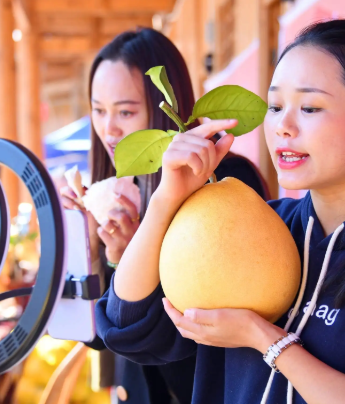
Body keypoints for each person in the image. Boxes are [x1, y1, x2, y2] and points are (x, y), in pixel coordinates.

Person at [94, 19, 345, 404]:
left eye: (309, 107)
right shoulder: (262, 226)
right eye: (275, 106)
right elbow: (130, 327)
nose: (282, 127)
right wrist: (165, 200)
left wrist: (263, 338)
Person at [60, 28, 268, 404]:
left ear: (162, 106)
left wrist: (131, 257)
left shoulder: (224, 181)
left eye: (125, 111)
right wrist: (83, 247)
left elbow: (185, 341)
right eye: (98, 109)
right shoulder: (120, 189)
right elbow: (98, 336)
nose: (108, 128)